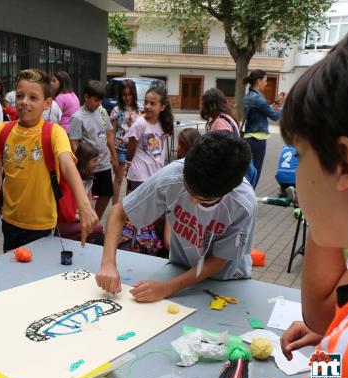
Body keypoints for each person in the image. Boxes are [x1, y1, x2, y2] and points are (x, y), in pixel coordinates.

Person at [276, 28, 348, 378]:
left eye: (301, 155)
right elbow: (325, 313)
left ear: (344, 162)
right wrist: (331, 336)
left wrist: (333, 350)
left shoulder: (347, 359)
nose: (296, 173)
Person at [96, 131, 256, 301]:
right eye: (188, 189)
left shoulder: (243, 205)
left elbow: (219, 260)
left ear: (227, 191)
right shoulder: (173, 175)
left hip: (225, 280)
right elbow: (119, 212)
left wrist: (168, 288)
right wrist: (108, 264)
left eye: (204, 201)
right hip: (181, 268)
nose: (192, 202)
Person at [0, 69, 98, 252]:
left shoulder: (54, 132)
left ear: (47, 103)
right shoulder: (1, 131)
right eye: (20, 96)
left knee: (38, 277)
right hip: (9, 223)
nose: (24, 102)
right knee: (14, 274)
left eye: (33, 98)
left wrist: (84, 203)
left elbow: (67, 163)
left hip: (43, 226)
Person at [69, 80, 118, 220]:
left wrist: (113, 156)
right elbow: (74, 143)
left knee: (107, 193)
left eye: (100, 100)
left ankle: (95, 219)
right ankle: (87, 220)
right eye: (96, 100)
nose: (98, 103)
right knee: (86, 196)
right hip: (88, 165)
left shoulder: (102, 112)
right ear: (86, 97)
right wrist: (83, 164)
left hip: (103, 163)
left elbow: (109, 134)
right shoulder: (78, 117)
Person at [201, 88, 258, 186]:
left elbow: (222, 152)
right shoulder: (227, 117)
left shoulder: (220, 122)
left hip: (227, 172)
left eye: (203, 104)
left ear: (210, 105)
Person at [124, 86, 173, 191]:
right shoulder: (140, 123)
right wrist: (132, 164)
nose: (147, 106)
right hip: (139, 176)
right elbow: (131, 149)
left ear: (162, 107)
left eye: (152, 103)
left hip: (156, 175)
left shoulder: (164, 123)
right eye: (146, 102)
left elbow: (160, 151)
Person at [242, 69, 284, 188]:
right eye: (265, 81)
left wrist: (275, 104)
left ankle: (245, 196)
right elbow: (274, 116)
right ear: (258, 81)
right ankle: (250, 197)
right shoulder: (258, 98)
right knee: (255, 173)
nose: (266, 83)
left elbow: (263, 110)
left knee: (248, 173)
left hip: (249, 138)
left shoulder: (248, 96)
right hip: (258, 140)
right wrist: (281, 107)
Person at [58, 142, 104, 243]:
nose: (97, 163)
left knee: (96, 229)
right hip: (65, 222)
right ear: (84, 162)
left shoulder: (89, 181)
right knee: (98, 229)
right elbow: (65, 212)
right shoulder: (72, 182)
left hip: (79, 219)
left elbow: (90, 207)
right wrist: (81, 216)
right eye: (94, 161)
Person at [109, 79, 141, 204]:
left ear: (134, 94)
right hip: (120, 149)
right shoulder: (117, 110)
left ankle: (129, 208)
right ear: (120, 95)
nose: (127, 97)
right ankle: (115, 208)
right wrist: (113, 155)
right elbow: (111, 132)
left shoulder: (140, 109)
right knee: (118, 179)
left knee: (131, 180)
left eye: (130, 94)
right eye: (124, 94)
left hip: (136, 150)